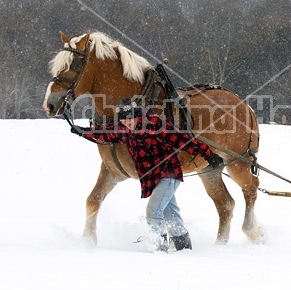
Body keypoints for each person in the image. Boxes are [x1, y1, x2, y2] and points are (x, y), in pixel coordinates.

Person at [71, 99, 224, 252]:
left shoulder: (156, 124)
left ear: (138, 115)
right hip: (153, 178)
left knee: (153, 211)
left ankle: (158, 247)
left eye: (129, 118)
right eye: (123, 119)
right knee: (170, 213)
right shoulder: (124, 129)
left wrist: (208, 155)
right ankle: (183, 246)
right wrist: (83, 131)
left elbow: (184, 140)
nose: (126, 122)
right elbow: (105, 133)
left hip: (168, 173)